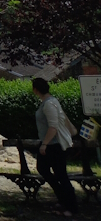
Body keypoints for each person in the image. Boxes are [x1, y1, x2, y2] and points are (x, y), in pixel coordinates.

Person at [32, 77, 78, 216]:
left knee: (60, 174)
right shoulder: (49, 102)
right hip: (49, 144)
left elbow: (53, 126)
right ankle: (63, 199)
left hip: (54, 145)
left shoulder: (49, 104)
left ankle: (71, 206)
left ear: (35, 89)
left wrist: (44, 144)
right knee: (43, 168)